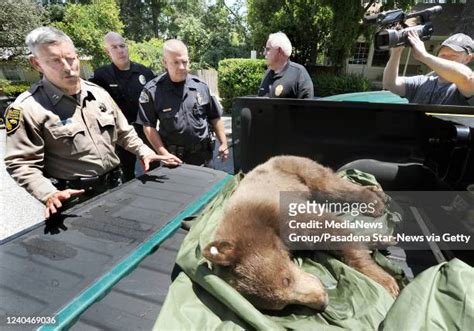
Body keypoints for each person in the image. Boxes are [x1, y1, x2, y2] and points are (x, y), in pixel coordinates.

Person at [3, 27, 181, 219]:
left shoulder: (99, 94)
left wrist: (144, 151)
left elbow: (124, 132)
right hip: (74, 199)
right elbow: (21, 163)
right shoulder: (26, 108)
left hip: (116, 185)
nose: (67, 66)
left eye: (70, 58)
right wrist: (49, 194)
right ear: (36, 63)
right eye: (55, 60)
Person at [136, 39, 229, 166]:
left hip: (204, 158)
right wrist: (163, 153)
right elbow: (148, 126)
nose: (181, 67)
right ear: (164, 62)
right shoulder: (152, 91)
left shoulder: (201, 87)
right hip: (174, 160)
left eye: (184, 62)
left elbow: (215, 117)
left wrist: (223, 142)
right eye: (175, 62)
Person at [89, 32, 156, 181]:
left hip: (145, 130)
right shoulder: (101, 76)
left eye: (122, 45)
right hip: (119, 135)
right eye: (114, 47)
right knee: (126, 174)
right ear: (107, 51)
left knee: (154, 168)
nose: (120, 50)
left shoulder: (144, 72)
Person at [383, 31, 474, 105]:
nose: (446, 59)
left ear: (467, 58)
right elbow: (390, 84)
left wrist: (424, 56)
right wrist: (396, 52)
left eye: (453, 56)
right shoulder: (422, 82)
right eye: (443, 55)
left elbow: (466, 77)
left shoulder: (466, 85)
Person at [258, 32, 314, 99]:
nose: (264, 53)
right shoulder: (267, 74)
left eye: (268, 49)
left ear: (279, 51)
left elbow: (307, 107)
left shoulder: (299, 74)